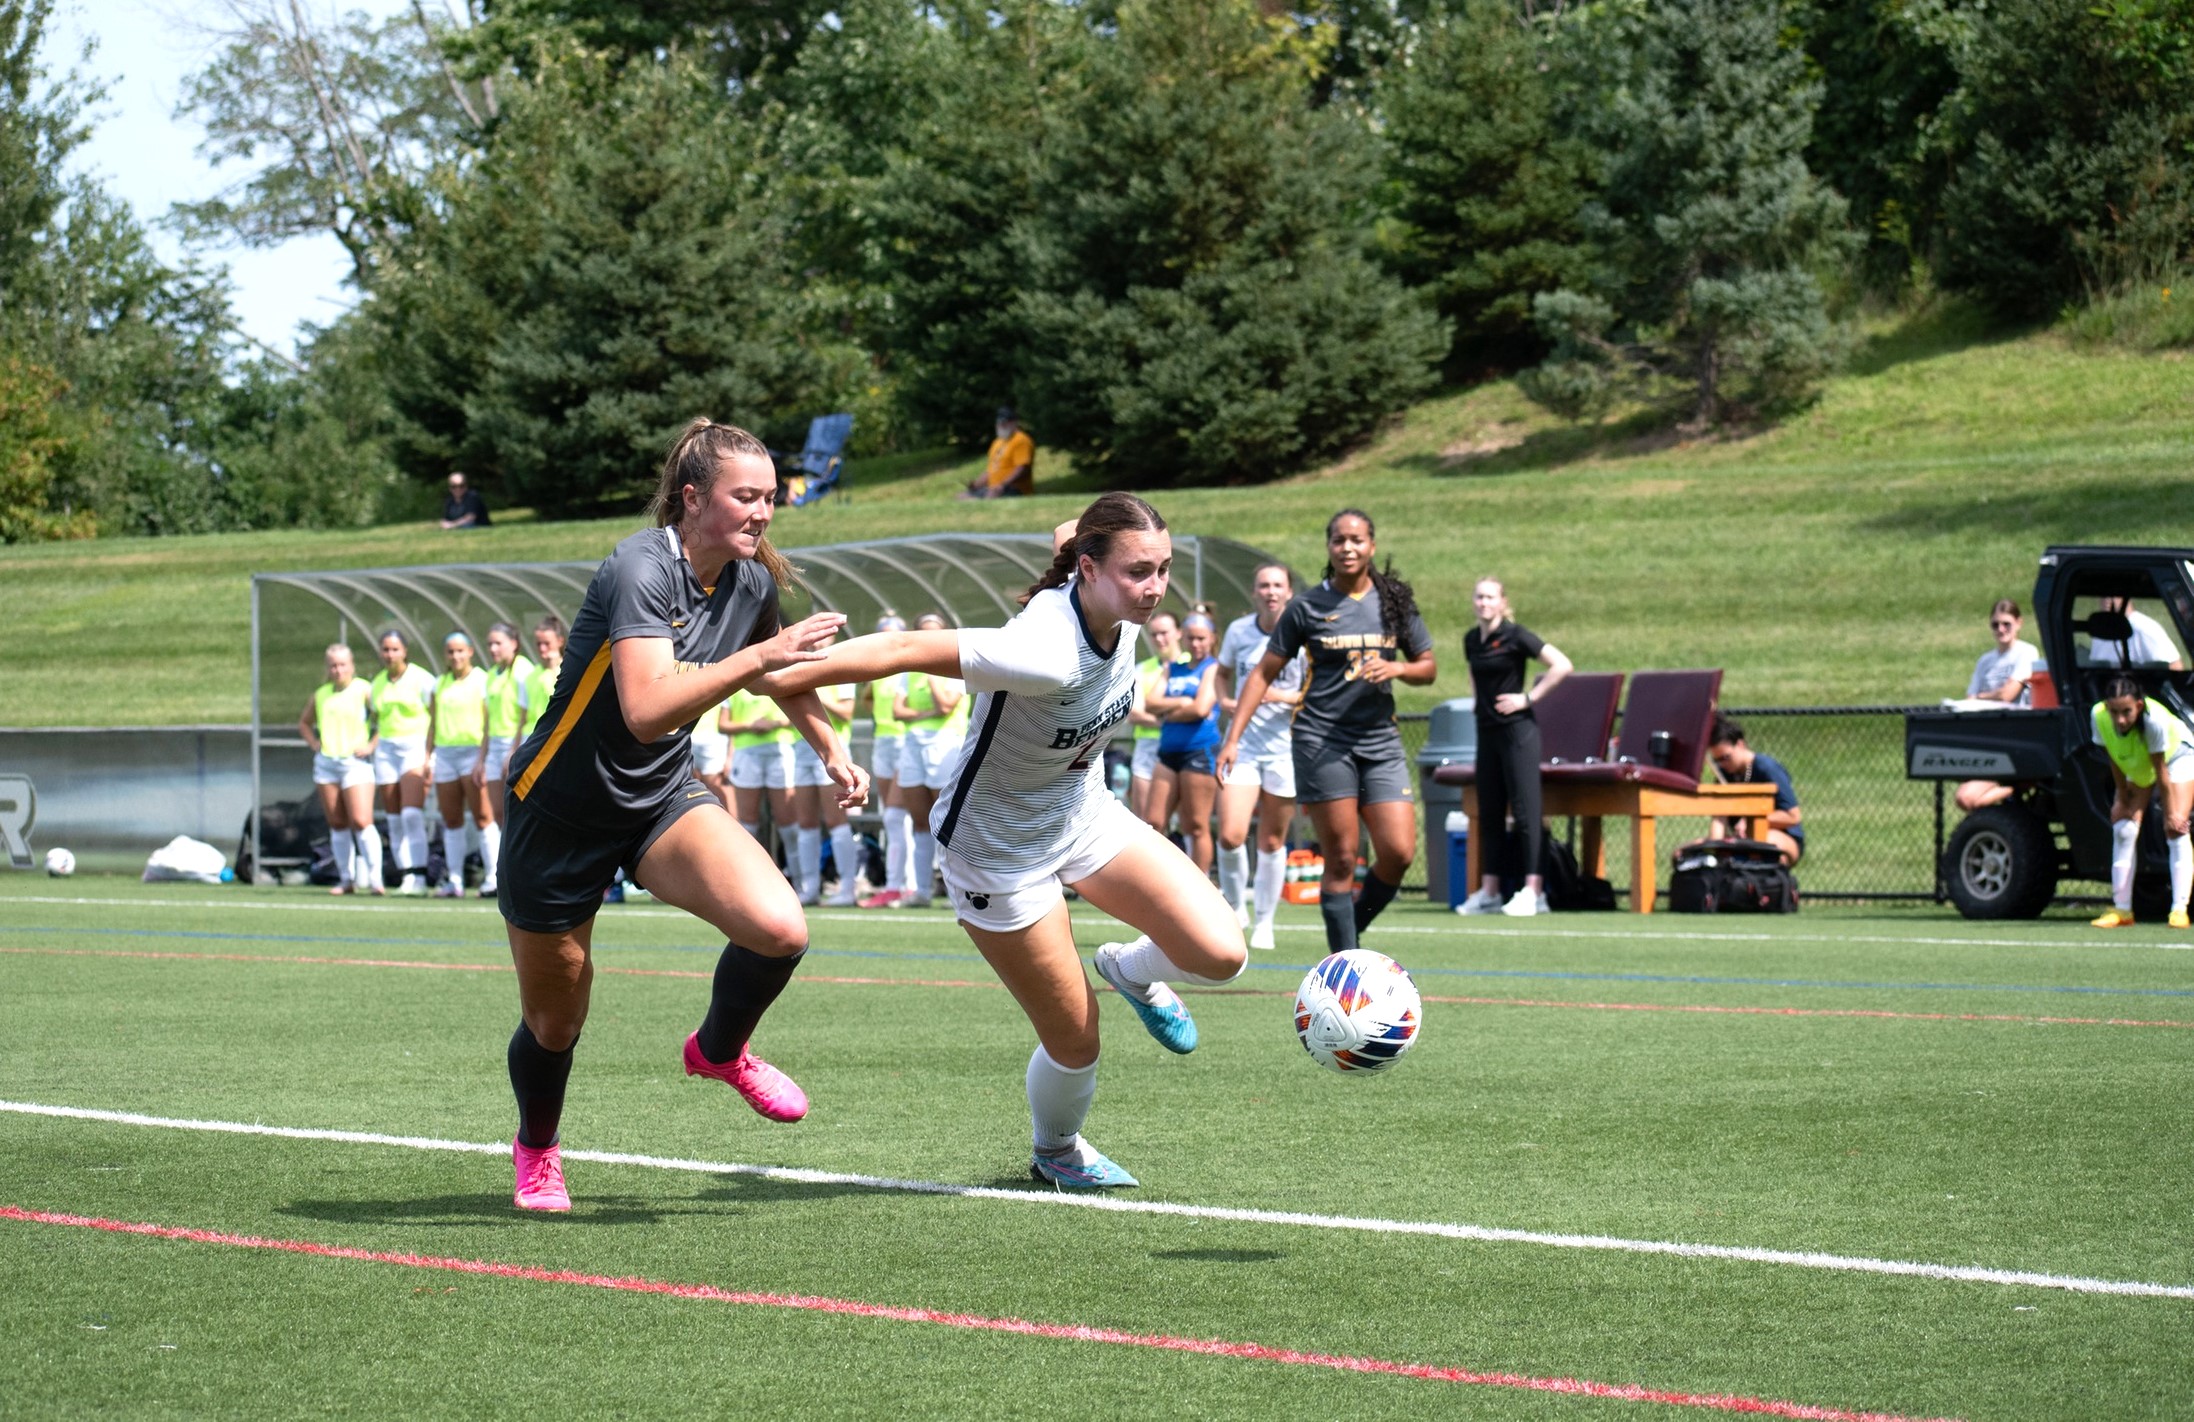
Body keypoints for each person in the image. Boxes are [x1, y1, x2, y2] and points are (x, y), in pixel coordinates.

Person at [768, 491, 1246, 1189]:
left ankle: (1130, 971)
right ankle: (1057, 1151)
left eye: (1164, 568)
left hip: (1083, 813)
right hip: (997, 851)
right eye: (1139, 572)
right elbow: (902, 650)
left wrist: (1103, 543)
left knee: (1222, 953)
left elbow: (1072, 532)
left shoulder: (1102, 582)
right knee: (1077, 1041)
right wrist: (770, 671)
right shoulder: (1044, 653)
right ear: (1087, 569)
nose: (1155, 589)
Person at [496, 418, 859, 1212]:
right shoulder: (639, 567)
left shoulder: (750, 578)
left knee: (780, 929)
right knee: (556, 1021)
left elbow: (779, 672)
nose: (763, 513)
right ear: (692, 499)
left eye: (771, 497)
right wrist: (760, 657)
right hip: (557, 812)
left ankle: (719, 1050)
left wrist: (830, 747)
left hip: (658, 798)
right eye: (745, 497)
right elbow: (647, 711)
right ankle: (538, 1148)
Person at [1219, 509, 1436, 956]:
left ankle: (1349, 934)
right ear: (1329, 548)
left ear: (1372, 545)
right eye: (1339, 540)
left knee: (1398, 853)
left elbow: (1428, 667)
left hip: (1380, 740)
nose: (1348, 547)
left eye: (1357, 539)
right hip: (1322, 742)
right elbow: (1261, 674)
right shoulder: (1307, 606)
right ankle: (1344, 964)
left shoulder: (1394, 602)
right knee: (1341, 858)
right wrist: (1233, 737)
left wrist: (1398, 666)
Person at [1453, 577, 1573, 917]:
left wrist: (1528, 698)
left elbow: (1562, 665)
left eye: (1490, 597)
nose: (1484, 603)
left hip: (1518, 733)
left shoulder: (1516, 634)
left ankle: (1534, 891)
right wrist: (1479, 703)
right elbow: (1475, 675)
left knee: (1525, 811)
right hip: (1487, 733)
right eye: (1479, 597)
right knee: (1489, 811)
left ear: (1502, 602)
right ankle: (1490, 891)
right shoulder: (1471, 640)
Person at [1216, 565, 1304, 950]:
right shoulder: (1239, 632)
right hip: (1245, 746)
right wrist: (1226, 702)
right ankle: (1237, 905)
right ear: (1254, 592)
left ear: (1289, 592)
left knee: (1271, 840)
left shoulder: (1304, 633)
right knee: (1231, 834)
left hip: (1286, 748)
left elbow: (1313, 691)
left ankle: (1266, 921)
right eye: (1264, 585)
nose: (1270, 591)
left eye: (1277, 585)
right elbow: (1222, 674)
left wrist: (1276, 696)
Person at [2088, 674, 2194, 930]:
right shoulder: (2098, 715)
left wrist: (2171, 814)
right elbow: (2114, 756)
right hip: (2138, 762)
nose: (2120, 720)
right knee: (2123, 829)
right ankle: (2122, 911)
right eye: (2114, 712)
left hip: (2176, 757)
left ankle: (2179, 910)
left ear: (2138, 705)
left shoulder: (2154, 720)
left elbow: (2161, 773)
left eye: (2126, 711)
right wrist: (2122, 796)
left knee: (2176, 830)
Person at [893, 614, 970, 907]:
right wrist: (924, 714)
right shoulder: (907, 670)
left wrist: (929, 673)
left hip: (945, 745)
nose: (928, 639)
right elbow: (898, 711)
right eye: (923, 633)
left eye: (935, 634)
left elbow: (946, 704)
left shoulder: (956, 667)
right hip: (913, 745)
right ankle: (922, 890)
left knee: (949, 821)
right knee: (920, 821)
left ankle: (957, 891)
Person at [1143, 611, 1222, 875]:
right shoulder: (1171, 668)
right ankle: (1160, 880)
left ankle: (1201, 883)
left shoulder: (1212, 668)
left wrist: (1167, 714)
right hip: (1168, 752)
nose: (1196, 644)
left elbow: (1201, 708)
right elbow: (1150, 703)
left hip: (1198, 751)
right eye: (1191, 638)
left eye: (1201, 638)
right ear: (1183, 638)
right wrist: (1179, 703)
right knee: (1153, 822)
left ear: (1211, 639)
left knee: (1196, 825)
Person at [300, 644, 381, 896]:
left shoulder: (363, 690)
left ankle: (376, 879)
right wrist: (315, 743)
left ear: (351, 665)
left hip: (354, 763)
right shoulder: (321, 694)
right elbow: (304, 722)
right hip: (327, 763)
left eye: (342, 664)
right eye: (333, 665)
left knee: (361, 820)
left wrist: (371, 744)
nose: (338, 670)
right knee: (337, 822)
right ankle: (346, 879)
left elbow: (383, 718)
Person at [1954, 600, 2042, 811]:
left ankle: (2018, 789)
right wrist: (1986, 697)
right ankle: (2012, 793)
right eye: (1995, 625)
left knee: (1966, 799)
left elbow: (2007, 695)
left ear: (2019, 623)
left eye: (2006, 624)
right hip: (1987, 740)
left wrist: (1982, 697)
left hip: (2016, 738)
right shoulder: (1985, 661)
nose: (2001, 630)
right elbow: (1969, 700)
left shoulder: (2026, 653)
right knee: (1965, 799)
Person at [369, 629, 436, 895]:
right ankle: (404, 874)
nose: (389, 654)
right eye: (385, 649)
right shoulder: (378, 683)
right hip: (386, 750)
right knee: (394, 818)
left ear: (405, 651)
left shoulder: (422, 679)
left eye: (395, 649)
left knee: (411, 814)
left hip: (414, 747)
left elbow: (436, 718)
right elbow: (378, 721)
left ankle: (419, 875)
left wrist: (430, 755)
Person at [789, 663, 862, 907]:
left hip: (834, 750)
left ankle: (848, 889)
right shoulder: (796, 665)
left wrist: (812, 694)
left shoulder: (838, 665)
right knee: (806, 822)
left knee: (835, 820)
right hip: (801, 748)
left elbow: (847, 712)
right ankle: (809, 889)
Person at [430, 631, 493, 898]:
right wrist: (428, 754)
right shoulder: (440, 684)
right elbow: (432, 722)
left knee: (483, 816)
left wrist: (481, 757)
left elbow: (490, 722)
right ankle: (454, 879)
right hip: (445, 754)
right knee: (451, 818)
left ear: (470, 652)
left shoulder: (482, 681)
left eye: (460, 651)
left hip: (472, 753)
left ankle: (494, 877)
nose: (455, 656)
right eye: (450, 651)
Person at [479, 622, 538, 896]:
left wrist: (515, 751)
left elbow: (523, 717)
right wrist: (481, 758)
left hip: (517, 744)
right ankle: (496, 876)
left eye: (498, 643)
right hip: (495, 745)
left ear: (514, 643)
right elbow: (488, 721)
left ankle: (525, 873)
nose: (493, 649)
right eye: (490, 643)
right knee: (496, 814)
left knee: (521, 812)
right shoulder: (491, 675)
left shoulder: (524, 671)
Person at [861, 614, 915, 908]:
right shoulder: (876, 670)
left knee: (898, 816)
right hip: (884, 741)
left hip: (904, 741)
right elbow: (869, 702)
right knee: (892, 816)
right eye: (881, 632)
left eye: (890, 633)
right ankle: (900, 883)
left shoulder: (908, 669)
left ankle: (903, 883)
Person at [1705, 715, 1805, 865]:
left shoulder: (1766, 768)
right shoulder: (1723, 776)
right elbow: (1719, 820)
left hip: (1782, 837)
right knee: (1687, 851)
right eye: (1716, 760)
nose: (1722, 764)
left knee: (1759, 844)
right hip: (1743, 840)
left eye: (1726, 757)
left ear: (1740, 744)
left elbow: (1793, 816)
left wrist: (1751, 821)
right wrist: (1713, 849)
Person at [724, 686, 797, 864]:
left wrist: (774, 724)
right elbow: (723, 724)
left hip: (780, 751)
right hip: (747, 754)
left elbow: (798, 716)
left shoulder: (784, 676)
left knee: (788, 823)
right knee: (747, 823)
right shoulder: (736, 681)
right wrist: (750, 726)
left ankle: (801, 884)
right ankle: (747, 880)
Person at [1127, 611, 1180, 823]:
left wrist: (1155, 710)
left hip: (1182, 747)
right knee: (1146, 822)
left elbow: (1199, 709)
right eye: (1154, 634)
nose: (1159, 639)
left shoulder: (1191, 665)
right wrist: (1174, 715)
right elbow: (1135, 714)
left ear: (1178, 633)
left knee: (1185, 824)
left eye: (1164, 633)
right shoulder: (1142, 669)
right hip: (1148, 749)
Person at [2088, 597, 2185, 670]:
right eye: (2103, 594)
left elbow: (2175, 665)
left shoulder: (2144, 627)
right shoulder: (2101, 628)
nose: (2107, 599)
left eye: (2113, 593)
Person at [961, 407, 1035, 499]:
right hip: (993, 488)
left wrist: (1002, 485)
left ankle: (981, 505)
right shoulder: (997, 443)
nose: (1001, 425)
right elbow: (991, 470)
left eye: (1005, 423)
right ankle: (979, 505)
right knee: (961, 496)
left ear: (1014, 423)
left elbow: (1022, 468)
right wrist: (976, 484)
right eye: (999, 423)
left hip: (1014, 489)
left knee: (990, 496)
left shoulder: (1021, 440)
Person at [524, 617, 566, 740]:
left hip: (556, 735)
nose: (542, 648)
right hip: (532, 735)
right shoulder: (531, 675)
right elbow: (524, 715)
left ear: (560, 641)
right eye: (539, 644)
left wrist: (553, 666)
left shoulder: (567, 671)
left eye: (547, 643)